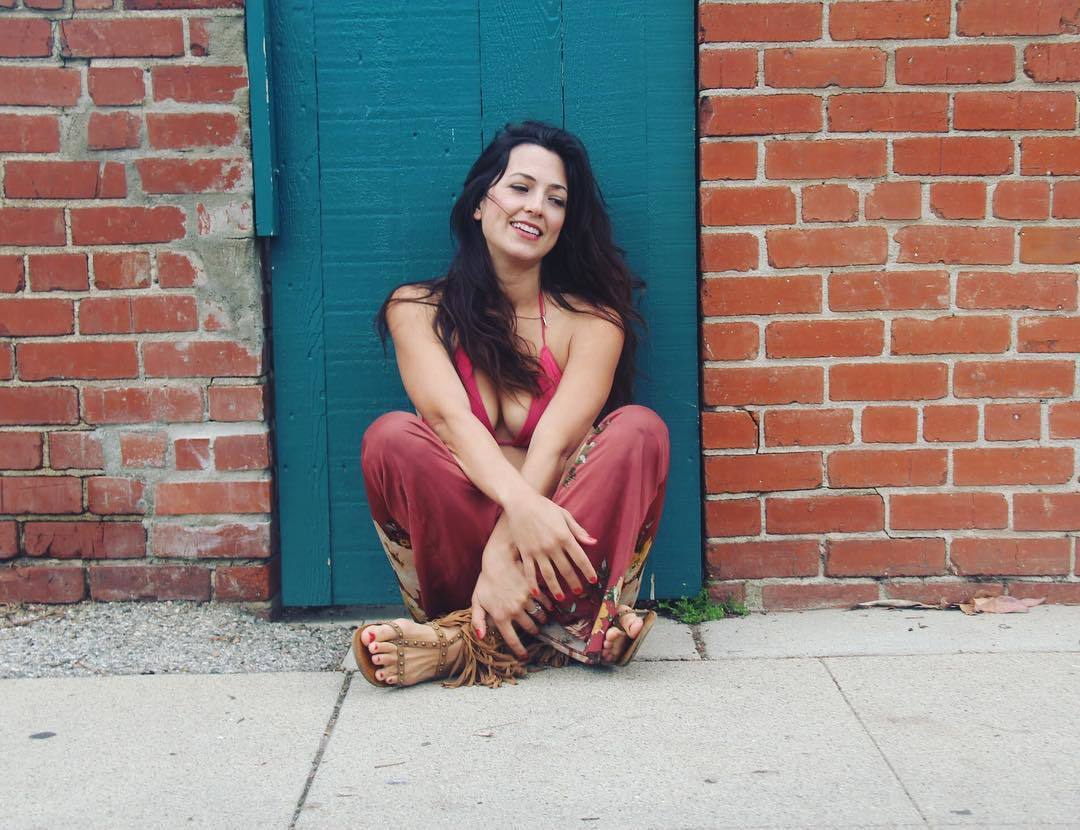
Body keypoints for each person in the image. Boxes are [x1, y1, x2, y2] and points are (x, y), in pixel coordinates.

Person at [353, 121, 670, 688]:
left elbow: (557, 447)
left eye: (556, 199)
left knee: (639, 430)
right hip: (460, 553)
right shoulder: (416, 310)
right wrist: (513, 517)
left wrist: (506, 551)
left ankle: (458, 643)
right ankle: (571, 632)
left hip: (555, 544)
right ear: (480, 202)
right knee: (392, 437)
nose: (536, 208)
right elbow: (450, 423)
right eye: (520, 187)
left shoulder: (593, 323)